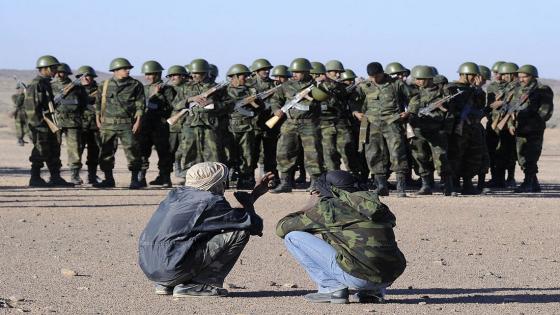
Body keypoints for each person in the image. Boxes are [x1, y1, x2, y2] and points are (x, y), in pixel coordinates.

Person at [138, 162, 272, 297]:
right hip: (172, 266)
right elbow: (252, 224)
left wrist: (253, 195)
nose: (225, 186)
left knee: (202, 234)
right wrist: (250, 199)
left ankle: (167, 283)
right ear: (215, 183)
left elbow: (232, 219)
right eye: (223, 182)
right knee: (239, 233)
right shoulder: (211, 201)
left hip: (151, 268)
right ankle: (198, 285)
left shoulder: (174, 195)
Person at [276, 170, 406, 304]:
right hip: (390, 275)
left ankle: (332, 288)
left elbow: (281, 228)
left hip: (360, 278)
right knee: (358, 240)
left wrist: (308, 207)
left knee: (292, 237)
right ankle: (372, 292)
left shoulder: (329, 207)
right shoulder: (376, 205)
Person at [352, 62, 411, 197]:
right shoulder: (364, 86)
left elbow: (413, 97)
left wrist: (409, 111)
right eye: (371, 77)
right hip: (372, 124)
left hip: (392, 121)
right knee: (373, 153)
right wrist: (356, 112)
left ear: (382, 73)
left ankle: (401, 187)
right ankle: (381, 186)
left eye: (376, 76)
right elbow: (353, 101)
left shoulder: (396, 84)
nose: (374, 79)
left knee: (397, 152)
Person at [269, 58, 326, 193]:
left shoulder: (315, 86)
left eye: (298, 72)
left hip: (309, 123)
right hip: (290, 123)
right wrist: (276, 109)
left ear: (306, 72)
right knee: (284, 152)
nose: (294, 74)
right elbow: (276, 100)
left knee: (313, 154)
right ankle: (285, 182)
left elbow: (325, 102)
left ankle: (315, 183)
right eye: (293, 72)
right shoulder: (286, 86)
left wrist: (311, 98)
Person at [94, 57, 145, 189]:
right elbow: (98, 104)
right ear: (115, 70)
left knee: (133, 152)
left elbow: (140, 105)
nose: (127, 71)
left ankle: (135, 180)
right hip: (108, 125)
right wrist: (97, 119)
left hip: (127, 125)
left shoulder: (135, 85)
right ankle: (108, 179)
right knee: (106, 152)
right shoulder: (104, 85)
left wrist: (138, 122)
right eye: (124, 69)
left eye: (128, 69)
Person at [23, 55, 74, 187]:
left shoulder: (45, 84)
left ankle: (55, 177)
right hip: (41, 125)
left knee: (53, 150)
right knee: (40, 150)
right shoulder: (36, 84)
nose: (56, 71)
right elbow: (31, 108)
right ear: (44, 68)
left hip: (49, 124)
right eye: (53, 68)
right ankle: (35, 178)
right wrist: (38, 126)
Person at [508, 65, 554, 193]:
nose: (521, 79)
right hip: (520, 129)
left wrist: (532, 125)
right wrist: (511, 124)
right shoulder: (518, 89)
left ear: (533, 77)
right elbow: (512, 109)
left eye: (525, 77)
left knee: (531, 156)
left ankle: (528, 183)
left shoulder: (542, 90)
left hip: (534, 130)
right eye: (520, 77)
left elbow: (545, 111)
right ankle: (534, 183)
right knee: (521, 156)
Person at [139, 60, 176, 187]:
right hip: (145, 125)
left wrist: (160, 95)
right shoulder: (143, 89)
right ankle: (140, 177)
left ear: (158, 74)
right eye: (146, 74)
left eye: (151, 74)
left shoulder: (167, 89)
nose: (148, 77)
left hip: (160, 126)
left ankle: (165, 178)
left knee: (163, 152)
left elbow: (171, 106)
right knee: (142, 152)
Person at [51, 63, 88, 185]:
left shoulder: (77, 87)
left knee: (75, 149)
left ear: (67, 74)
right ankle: (54, 175)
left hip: (73, 121)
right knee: (54, 148)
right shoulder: (50, 86)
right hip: (56, 121)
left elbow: (84, 104)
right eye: (57, 72)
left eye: (62, 72)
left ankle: (75, 175)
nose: (59, 75)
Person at [76, 66, 102, 184]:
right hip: (79, 125)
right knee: (77, 152)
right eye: (83, 76)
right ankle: (75, 175)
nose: (86, 78)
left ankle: (92, 176)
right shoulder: (74, 90)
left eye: (88, 76)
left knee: (94, 152)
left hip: (95, 126)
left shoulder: (100, 89)